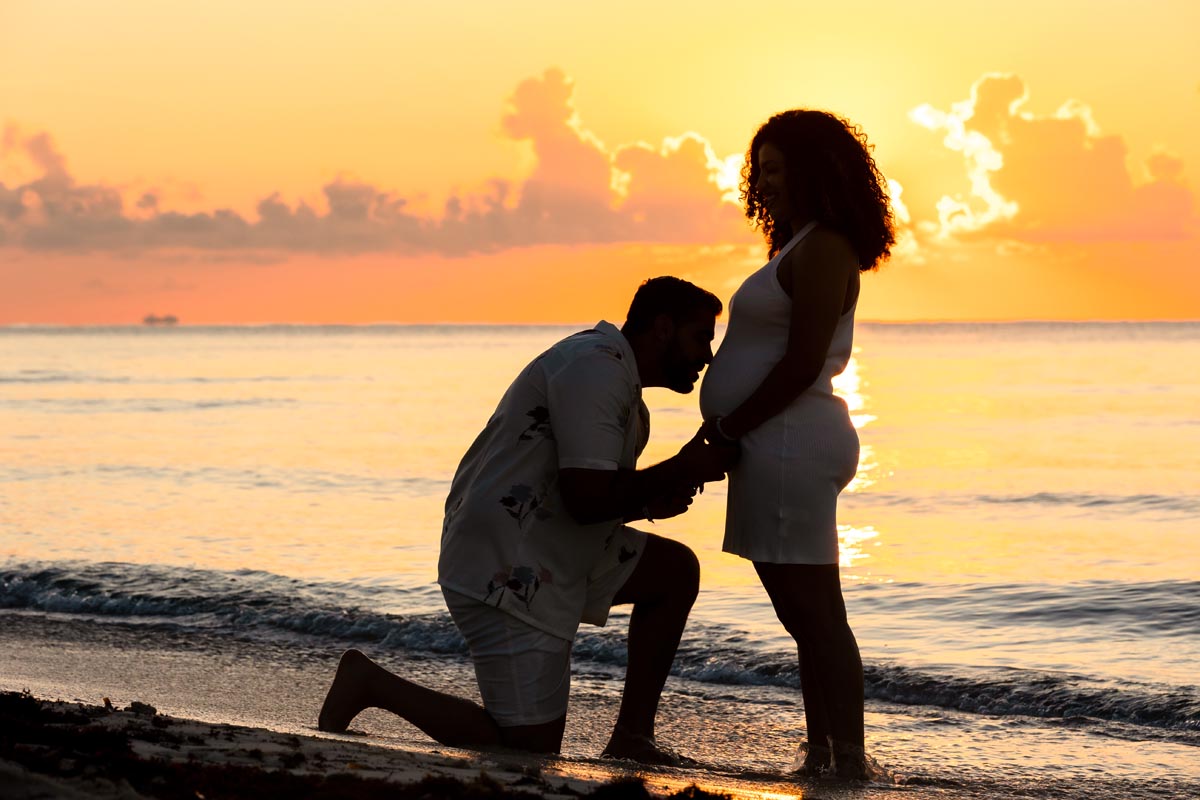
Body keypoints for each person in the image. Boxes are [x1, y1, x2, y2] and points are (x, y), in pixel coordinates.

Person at [319, 276, 737, 764]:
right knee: (527, 752)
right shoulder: (597, 370)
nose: (708, 356)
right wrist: (681, 470)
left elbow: (589, 493)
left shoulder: (617, 381)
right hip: (505, 561)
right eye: (701, 337)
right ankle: (370, 684)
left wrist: (649, 500)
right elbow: (585, 498)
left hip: (549, 544)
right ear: (663, 329)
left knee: (672, 572)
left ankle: (632, 738)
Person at [698, 110, 895, 779]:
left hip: (789, 444)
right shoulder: (795, 245)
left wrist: (726, 427)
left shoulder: (825, 248)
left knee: (816, 615)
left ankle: (850, 760)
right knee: (803, 616)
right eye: (760, 170)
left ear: (813, 170)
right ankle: (823, 755)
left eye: (777, 169)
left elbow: (804, 361)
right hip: (773, 443)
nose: (764, 182)